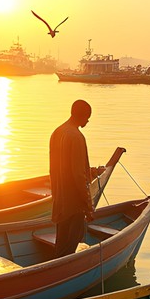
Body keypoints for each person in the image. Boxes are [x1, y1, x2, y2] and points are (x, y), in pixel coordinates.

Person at [49, 99, 103, 257]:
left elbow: (55, 168)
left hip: (59, 201)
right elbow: (79, 175)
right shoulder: (77, 137)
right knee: (69, 249)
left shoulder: (57, 132)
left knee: (61, 245)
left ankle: (55, 271)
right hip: (74, 204)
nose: (88, 120)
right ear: (84, 115)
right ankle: (61, 275)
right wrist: (88, 206)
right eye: (88, 117)